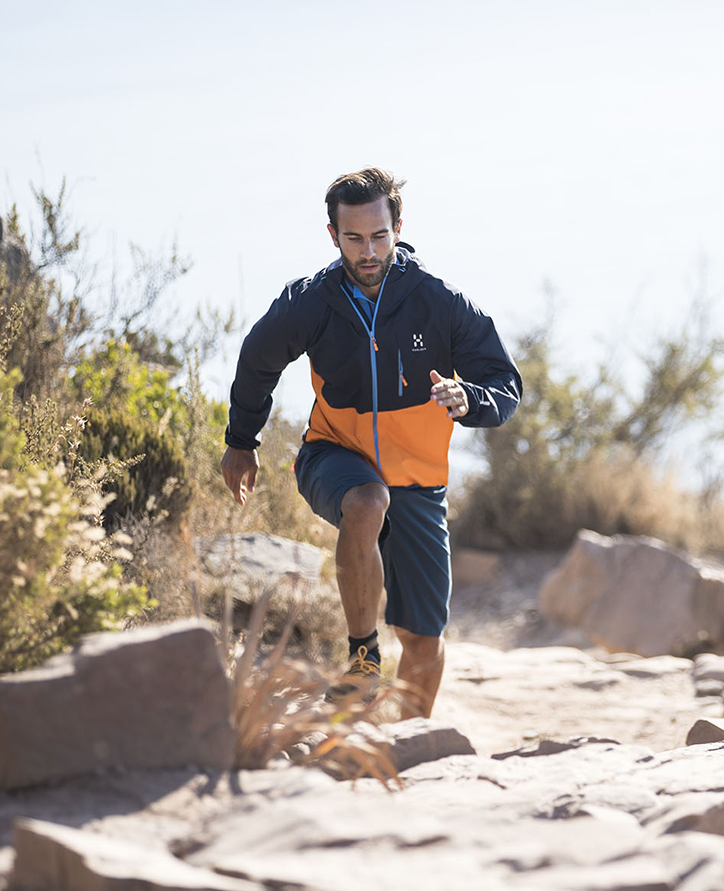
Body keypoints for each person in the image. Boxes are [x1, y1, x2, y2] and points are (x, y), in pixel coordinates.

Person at [220, 167, 521, 719]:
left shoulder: (441, 303)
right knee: (366, 501)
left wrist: (469, 397)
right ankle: (362, 658)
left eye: (379, 236)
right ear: (333, 235)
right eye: (353, 238)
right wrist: (241, 441)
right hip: (334, 456)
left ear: (398, 227)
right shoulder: (311, 302)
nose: (368, 251)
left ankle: (408, 742)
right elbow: (258, 360)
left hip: (420, 485)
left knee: (423, 640)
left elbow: (505, 383)